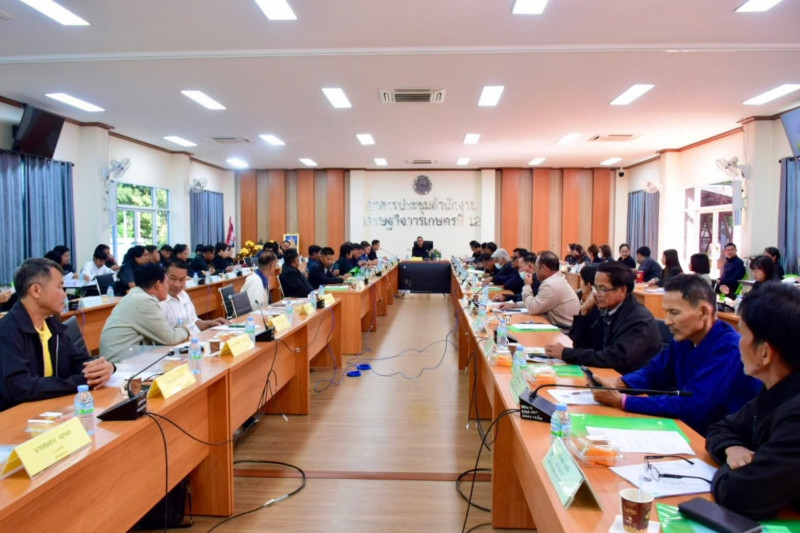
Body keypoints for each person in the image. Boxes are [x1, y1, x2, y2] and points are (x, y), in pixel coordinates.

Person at [592, 275, 762, 436]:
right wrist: (618, 383)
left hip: (715, 439)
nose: (667, 321)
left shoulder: (729, 348)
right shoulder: (686, 339)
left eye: (674, 313)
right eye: (666, 312)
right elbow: (655, 372)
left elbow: (693, 404)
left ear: (703, 312)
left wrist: (623, 401)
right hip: (685, 428)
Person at [705, 283, 800, 520]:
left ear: (765, 353)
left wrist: (729, 470)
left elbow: (740, 493)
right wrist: (731, 449)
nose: (738, 341)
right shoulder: (777, 389)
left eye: (743, 334)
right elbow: (720, 428)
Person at [0, 258, 114, 410]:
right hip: (16, 415)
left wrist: (104, 368)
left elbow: (78, 361)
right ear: (36, 290)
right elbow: (20, 387)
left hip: (49, 407)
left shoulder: (51, 324)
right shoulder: (7, 331)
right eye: (59, 287)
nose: (65, 295)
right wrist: (79, 381)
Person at [545, 262, 662, 373]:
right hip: (603, 373)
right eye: (596, 288)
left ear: (622, 290)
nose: (597, 294)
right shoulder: (603, 307)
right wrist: (584, 311)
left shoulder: (639, 319)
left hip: (627, 380)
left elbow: (614, 358)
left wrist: (566, 353)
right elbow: (580, 345)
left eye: (603, 289)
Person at [100, 263, 191, 362]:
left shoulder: (136, 296)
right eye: (166, 282)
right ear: (158, 285)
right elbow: (170, 338)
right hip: (120, 364)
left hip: (129, 357)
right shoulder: (144, 301)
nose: (168, 286)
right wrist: (185, 330)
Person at [502, 251, 580, 329]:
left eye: (536, 267)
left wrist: (527, 285)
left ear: (544, 268)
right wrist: (515, 305)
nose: (535, 270)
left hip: (561, 330)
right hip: (555, 326)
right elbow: (538, 302)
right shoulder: (556, 279)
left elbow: (532, 308)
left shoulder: (551, 285)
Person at [160, 260, 228, 334]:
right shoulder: (160, 302)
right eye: (173, 279)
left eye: (182, 279)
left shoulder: (183, 295)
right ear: (164, 277)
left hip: (197, 337)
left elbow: (194, 322)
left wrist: (211, 323)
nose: (177, 285)